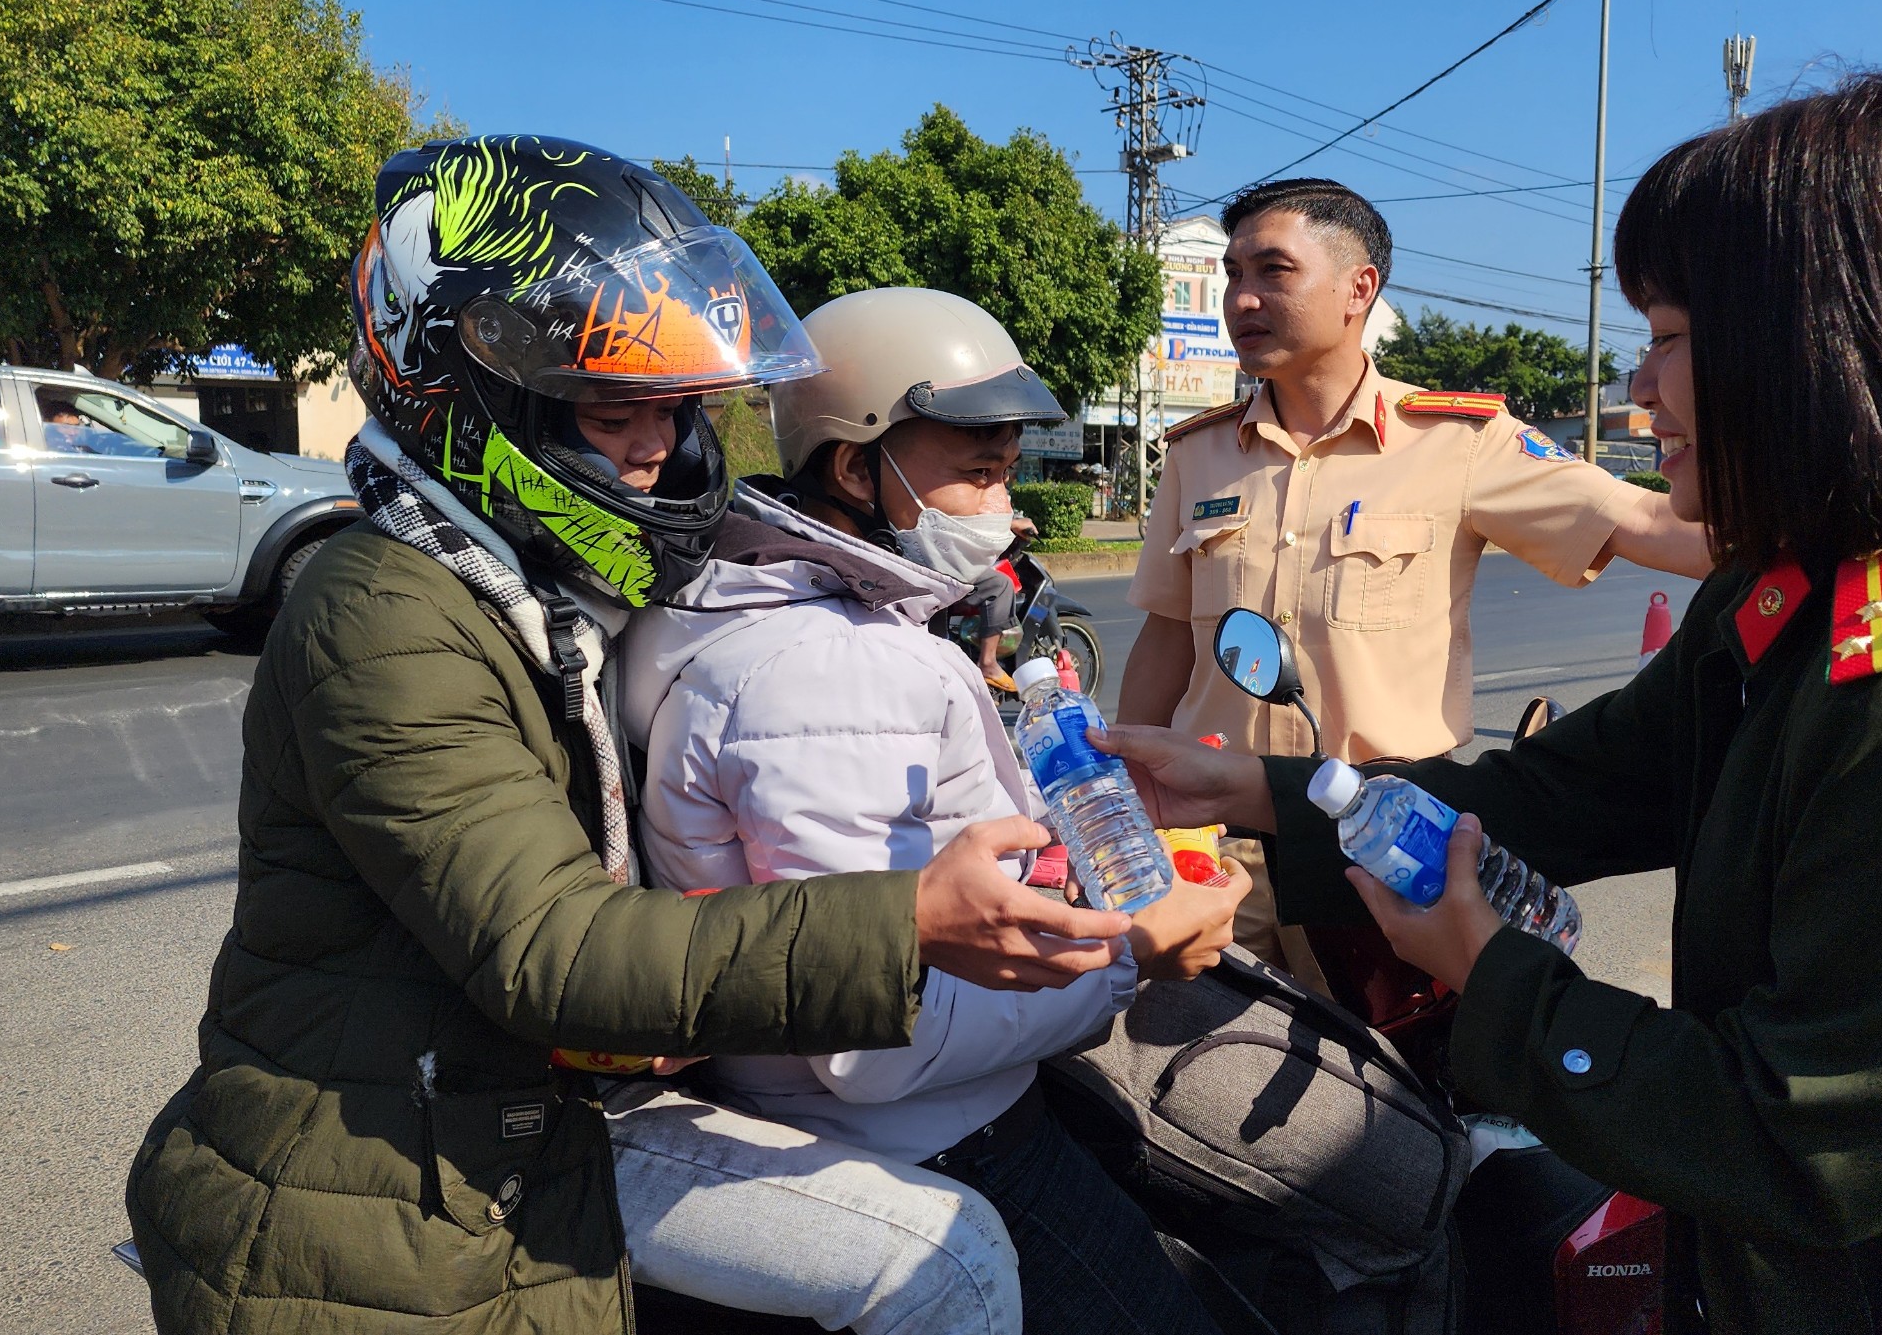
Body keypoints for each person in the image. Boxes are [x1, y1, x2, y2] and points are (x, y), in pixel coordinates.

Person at [1096, 75, 1882, 1333]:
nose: (1639, 389)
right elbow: (1565, 788)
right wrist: (1259, 790)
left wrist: (1494, 980)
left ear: (1825, 342)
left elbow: (1805, 1138)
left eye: (1671, 337)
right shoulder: (1798, 590)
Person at [124, 136, 1135, 1335]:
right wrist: (907, 922)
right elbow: (555, 953)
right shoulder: (386, 613)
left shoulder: (538, 587)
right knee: (949, 1263)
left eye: (678, 411)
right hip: (401, 1158)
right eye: (616, 412)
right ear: (463, 397)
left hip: (535, 1092)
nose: (661, 453)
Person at [618, 285, 1242, 1334]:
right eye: (979, 471)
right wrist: (1135, 949)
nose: (1007, 510)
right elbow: (877, 1038)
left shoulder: (773, 609)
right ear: (858, 465)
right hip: (939, 1141)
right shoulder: (830, 668)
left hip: (921, 1114)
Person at [1117, 177, 1711, 980]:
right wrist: (1130, 802)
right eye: (1232, 274)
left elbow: (1650, 525)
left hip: (1384, 844)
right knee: (1189, 1070)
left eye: (1273, 271)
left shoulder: (1457, 441)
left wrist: (1845, 535)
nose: (1242, 298)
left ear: (1359, 287)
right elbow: (1164, 636)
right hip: (1218, 849)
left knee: (1391, 1090)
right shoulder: (1198, 452)